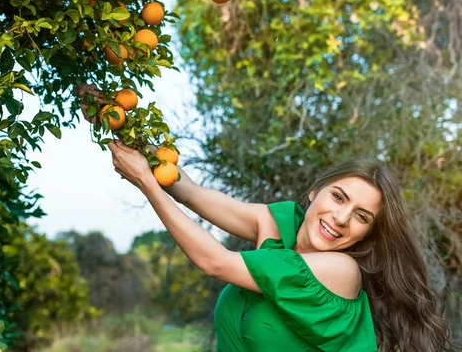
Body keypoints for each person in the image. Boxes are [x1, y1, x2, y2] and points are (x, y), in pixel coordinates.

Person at [74, 84, 456, 352]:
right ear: (314, 193)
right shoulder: (278, 224)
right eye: (338, 197)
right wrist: (116, 118)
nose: (340, 218)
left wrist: (144, 180)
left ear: (367, 234)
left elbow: (215, 262)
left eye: (361, 216)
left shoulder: (341, 270)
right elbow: (185, 188)